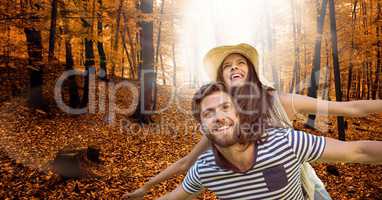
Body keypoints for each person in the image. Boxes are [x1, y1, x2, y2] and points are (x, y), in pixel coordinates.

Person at [122, 43, 382, 199]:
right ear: (222, 78)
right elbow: (186, 163)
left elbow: (352, 109)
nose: (234, 67)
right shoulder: (222, 121)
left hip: (296, 185)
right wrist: (146, 187)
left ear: (251, 70)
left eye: (240, 62)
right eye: (227, 66)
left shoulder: (281, 101)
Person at [157, 82, 382, 199]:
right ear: (202, 127)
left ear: (238, 114)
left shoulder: (286, 143)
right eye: (208, 113)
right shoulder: (205, 169)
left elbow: (358, 151)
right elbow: (174, 196)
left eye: (225, 107)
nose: (219, 117)